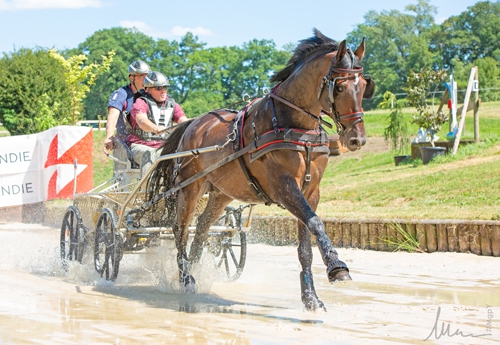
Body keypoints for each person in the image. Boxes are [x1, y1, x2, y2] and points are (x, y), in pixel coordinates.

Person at [126, 70, 188, 176]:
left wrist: (191, 125)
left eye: (165, 87)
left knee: (186, 154)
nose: (163, 91)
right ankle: (146, 191)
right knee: (149, 154)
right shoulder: (141, 102)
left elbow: (183, 121)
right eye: (159, 88)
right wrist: (154, 128)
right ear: (147, 89)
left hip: (164, 147)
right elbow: (142, 120)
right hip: (140, 146)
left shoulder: (172, 104)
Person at [103, 60, 151, 152]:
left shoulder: (149, 94)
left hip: (147, 142)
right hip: (126, 145)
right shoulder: (121, 94)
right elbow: (112, 116)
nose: (145, 79)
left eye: (147, 76)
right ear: (131, 78)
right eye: (141, 76)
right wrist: (109, 137)